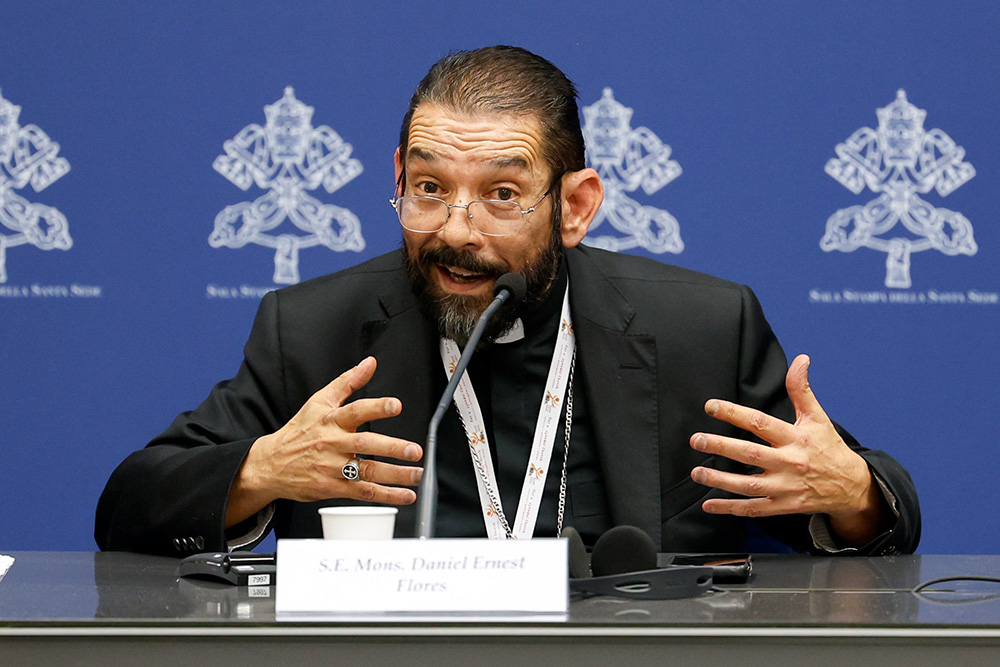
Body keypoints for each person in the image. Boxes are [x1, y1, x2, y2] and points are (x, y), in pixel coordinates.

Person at [96, 46, 919, 557]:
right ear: (396, 181)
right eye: (428, 188)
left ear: (575, 205)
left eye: (500, 194)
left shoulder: (702, 326)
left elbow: (879, 506)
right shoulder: (316, 329)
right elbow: (131, 500)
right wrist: (262, 469)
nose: (458, 231)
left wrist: (852, 497)